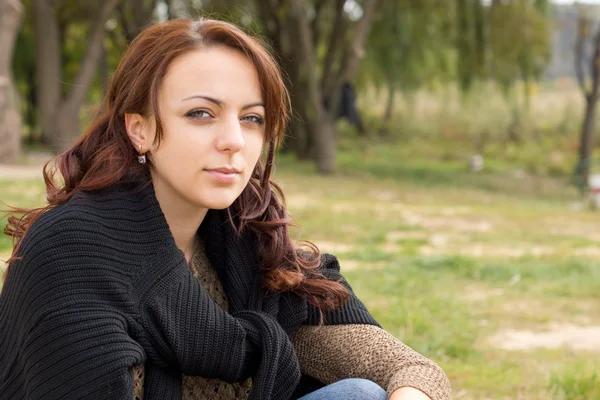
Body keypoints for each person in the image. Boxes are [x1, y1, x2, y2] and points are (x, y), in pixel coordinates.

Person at [0, 18, 451, 400]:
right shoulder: (73, 250)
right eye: (201, 113)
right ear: (140, 130)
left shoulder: (243, 243)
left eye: (252, 118)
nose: (234, 140)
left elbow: (400, 365)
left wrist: (412, 389)